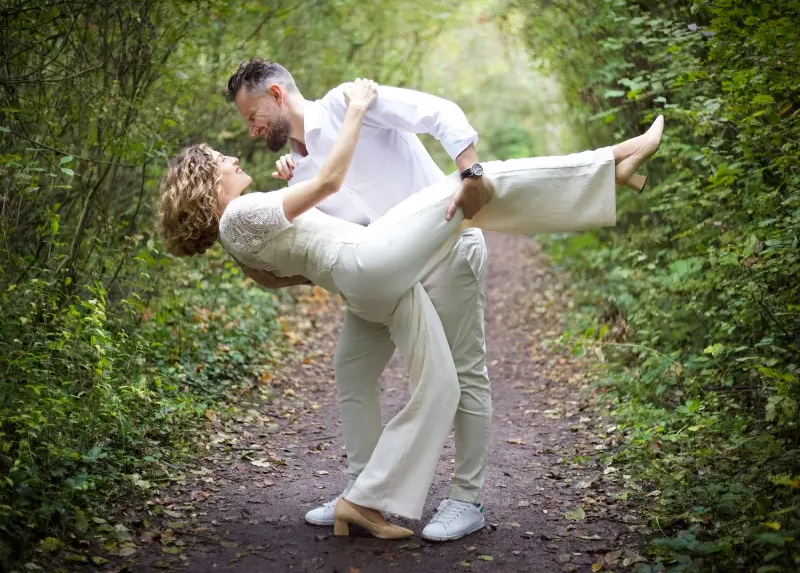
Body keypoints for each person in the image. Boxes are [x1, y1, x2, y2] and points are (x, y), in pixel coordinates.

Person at [156, 78, 664, 540]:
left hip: (436, 252)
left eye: (251, 116)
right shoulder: (282, 183)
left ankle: (466, 499)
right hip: (380, 268)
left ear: (274, 92)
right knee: (354, 373)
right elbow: (311, 233)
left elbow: (438, 111)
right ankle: (363, 493)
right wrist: (297, 177)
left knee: (470, 217)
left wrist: (466, 165)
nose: (249, 132)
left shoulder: (345, 102)